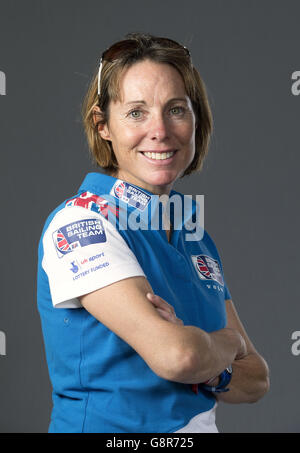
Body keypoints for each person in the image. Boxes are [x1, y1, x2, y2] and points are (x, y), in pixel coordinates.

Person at [37, 32, 270, 433]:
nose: (160, 130)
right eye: (136, 113)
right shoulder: (83, 223)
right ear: (103, 125)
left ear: (197, 119)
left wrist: (212, 364)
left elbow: (258, 380)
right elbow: (177, 358)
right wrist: (228, 346)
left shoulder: (192, 233)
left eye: (176, 109)